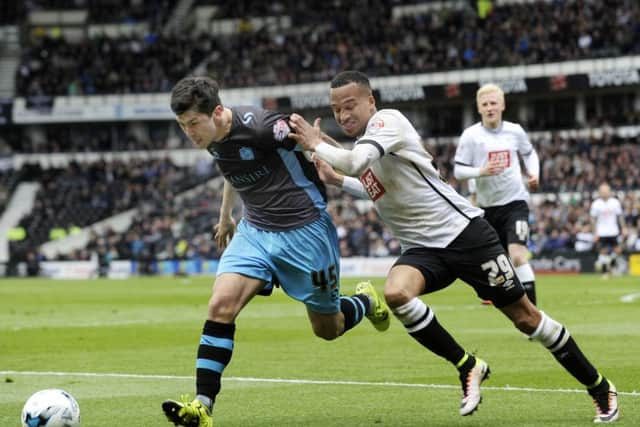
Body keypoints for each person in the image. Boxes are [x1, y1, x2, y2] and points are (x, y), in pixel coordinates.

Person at [289, 70, 619, 423]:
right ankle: (468, 366)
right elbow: (374, 188)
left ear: (371, 102)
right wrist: (337, 180)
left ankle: (599, 386)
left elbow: (355, 161)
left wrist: (314, 143)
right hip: (423, 248)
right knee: (397, 293)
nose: (342, 116)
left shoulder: (388, 122)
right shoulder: (370, 147)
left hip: (465, 236)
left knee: (526, 319)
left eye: (350, 106)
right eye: (336, 110)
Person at [162, 76, 390, 427]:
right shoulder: (211, 137)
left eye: (193, 123)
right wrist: (226, 218)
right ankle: (202, 406)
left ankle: (364, 302)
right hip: (255, 231)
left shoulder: (264, 127)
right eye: (183, 126)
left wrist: (344, 156)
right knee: (220, 305)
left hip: (305, 233)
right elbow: (231, 167)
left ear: (218, 112)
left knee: (328, 329)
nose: (189, 132)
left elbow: (317, 144)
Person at [453, 83, 539, 306]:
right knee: (496, 262)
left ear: (502, 105)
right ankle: (499, 293)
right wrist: (481, 171)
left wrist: (534, 174)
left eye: (493, 103)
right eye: (485, 104)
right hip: (486, 208)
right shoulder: (471, 136)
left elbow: (530, 154)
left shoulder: (515, 131)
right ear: (479, 108)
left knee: (518, 255)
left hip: (515, 203)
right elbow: (459, 170)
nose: (490, 107)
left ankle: (533, 315)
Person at [590, 183, 626, 279]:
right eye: (602, 191)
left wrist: (624, 228)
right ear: (599, 192)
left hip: (613, 231)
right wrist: (594, 233)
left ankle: (611, 264)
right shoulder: (596, 204)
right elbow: (593, 219)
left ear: (609, 192)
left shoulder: (615, 202)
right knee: (603, 252)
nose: (604, 193)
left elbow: (620, 216)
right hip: (601, 232)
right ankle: (605, 272)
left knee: (618, 251)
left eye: (606, 191)